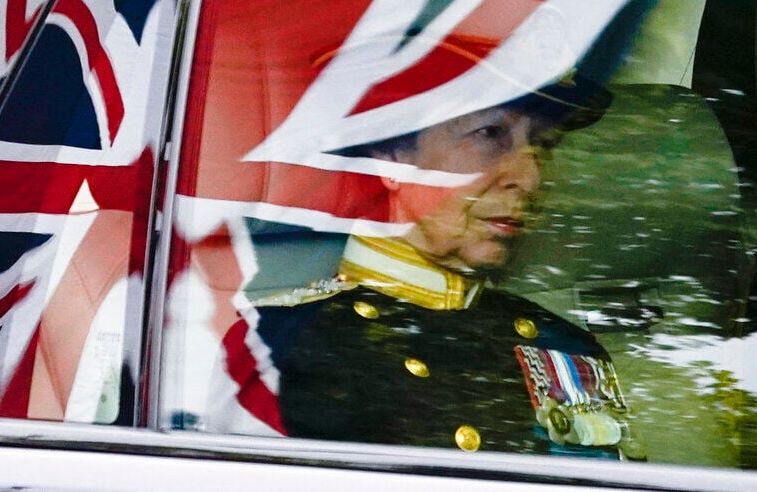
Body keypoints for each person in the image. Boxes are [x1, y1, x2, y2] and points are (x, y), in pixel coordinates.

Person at [243, 91, 647, 460]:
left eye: (544, 145)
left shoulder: (564, 347)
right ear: (391, 159)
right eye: (490, 134)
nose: (530, 180)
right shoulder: (275, 345)